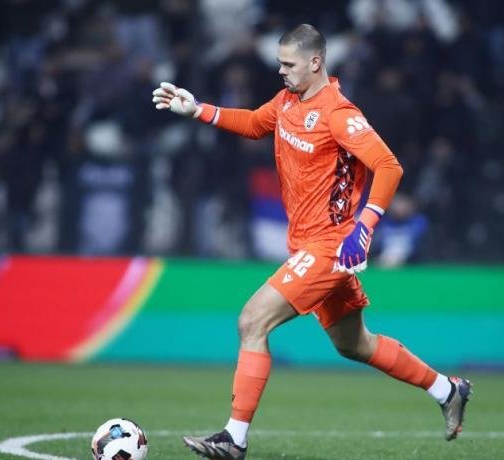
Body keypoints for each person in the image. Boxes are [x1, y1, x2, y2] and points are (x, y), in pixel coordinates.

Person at [152, 24, 472, 460]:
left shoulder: (338, 112)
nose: (281, 71)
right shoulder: (287, 102)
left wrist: (365, 226)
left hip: (331, 246)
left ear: (315, 62)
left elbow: (388, 166)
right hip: (306, 244)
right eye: (279, 63)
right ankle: (447, 390)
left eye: (289, 64)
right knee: (354, 344)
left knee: (252, 322)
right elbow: (254, 123)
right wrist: (198, 110)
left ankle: (234, 439)